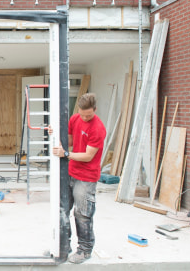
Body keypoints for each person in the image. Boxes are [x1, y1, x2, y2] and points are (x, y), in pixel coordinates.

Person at [50, 93, 106, 264]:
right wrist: (54, 134)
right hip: (71, 172)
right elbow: (69, 140)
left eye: (88, 115)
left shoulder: (98, 128)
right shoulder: (75, 119)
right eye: (82, 114)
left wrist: (66, 154)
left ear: (95, 110)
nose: (84, 117)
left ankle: (84, 250)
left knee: (82, 213)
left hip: (86, 176)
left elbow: (88, 156)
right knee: (62, 209)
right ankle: (63, 246)